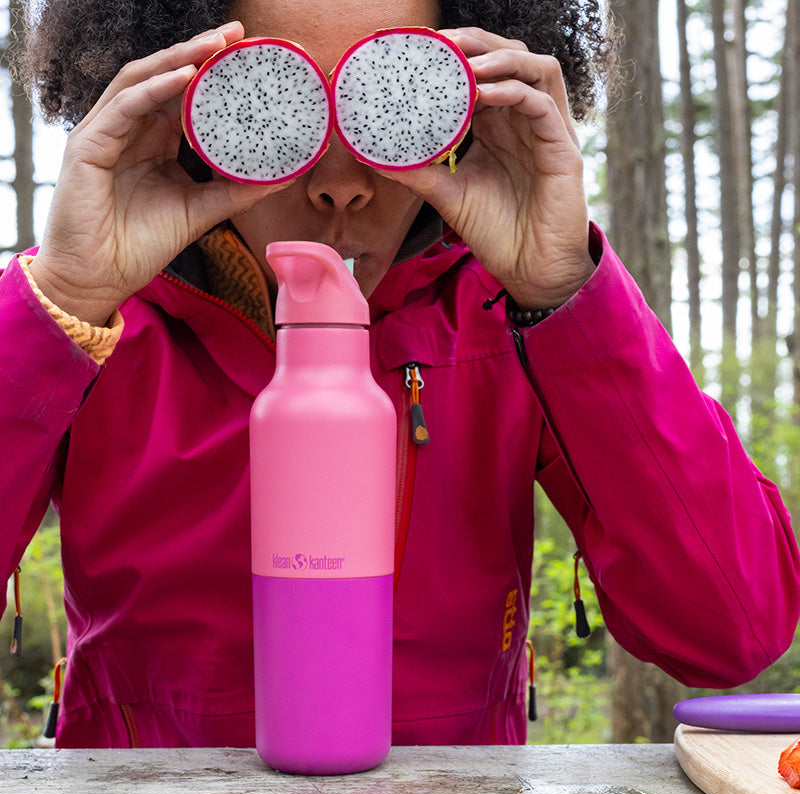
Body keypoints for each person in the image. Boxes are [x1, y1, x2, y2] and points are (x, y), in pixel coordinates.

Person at [2, 0, 798, 748]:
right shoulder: (88, 318)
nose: (341, 186)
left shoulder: (508, 315)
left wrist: (565, 293)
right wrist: (62, 301)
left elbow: (731, 629)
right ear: (186, 113)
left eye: (394, 104)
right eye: (271, 111)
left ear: (466, 112)